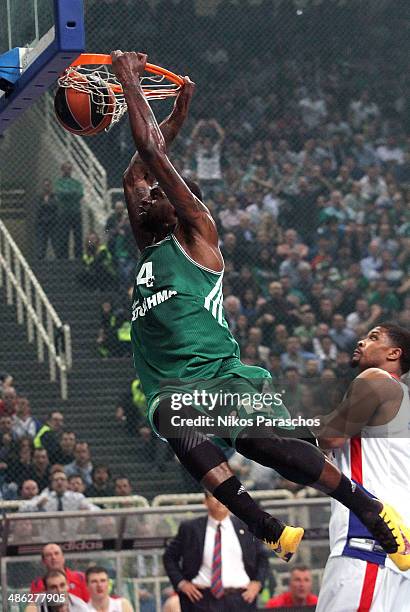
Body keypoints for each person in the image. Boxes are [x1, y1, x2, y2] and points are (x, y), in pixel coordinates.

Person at [111, 50, 410, 567]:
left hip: (216, 371)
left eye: (158, 195)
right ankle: (267, 527)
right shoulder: (150, 242)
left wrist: (129, 78)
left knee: (261, 446)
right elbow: (134, 175)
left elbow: (153, 159)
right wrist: (177, 115)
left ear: (180, 206)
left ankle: (370, 508)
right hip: (171, 384)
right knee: (173, 419)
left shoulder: (198, 235)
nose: (145, 199)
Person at [316, 324, 410, 611]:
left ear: (394, 353)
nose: (361, 341)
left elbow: (330, 435)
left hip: (369, 538)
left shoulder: (375, 379)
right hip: (400, 544)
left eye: (373, 337)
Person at [163, 491, 269, 611]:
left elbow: (262, 557)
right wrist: (181, 583)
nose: (220, 500)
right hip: (201, 600)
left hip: (241, 599)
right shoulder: (190, 529)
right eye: (215, 496)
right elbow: (169, 557)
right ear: (205, 502)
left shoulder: (246, 526)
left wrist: (257, 583)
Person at [55, 161, 84, 259]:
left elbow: (80, 194)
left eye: (69, 168)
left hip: (76, 212)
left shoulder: (76, 183)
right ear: (62, 169)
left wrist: (67, 194)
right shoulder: (59, 182)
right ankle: (63, 257)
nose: (68, 170)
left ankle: (78, 256)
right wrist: (72, 194)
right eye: (66, 168)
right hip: (64, 213)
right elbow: (59, 194)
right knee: (63, 235)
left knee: (78, 236)